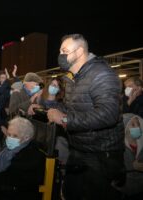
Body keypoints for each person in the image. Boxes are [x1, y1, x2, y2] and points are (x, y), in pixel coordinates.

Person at [47, 34, 125, 200]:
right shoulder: (71, 78)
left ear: (80, 51)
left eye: (65, 51)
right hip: (78, 149)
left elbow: (109, 114)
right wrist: (45, 107)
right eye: (60, 50)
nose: (60, 55)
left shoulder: (101, 74)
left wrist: (65, 120)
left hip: (101, 155)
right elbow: (69, 108)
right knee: (70, 193)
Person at [0, 117, 45, 200]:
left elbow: (11, 177)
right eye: (9, 134)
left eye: (15, 136)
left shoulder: (30, 155)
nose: (10, 138)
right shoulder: (11, 150)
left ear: (26, 138)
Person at [113, 113, 143, 199]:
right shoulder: (116, 145)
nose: (137, 127)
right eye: (133, 124)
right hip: (122, 189)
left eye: (138, 124)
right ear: (124, 127)